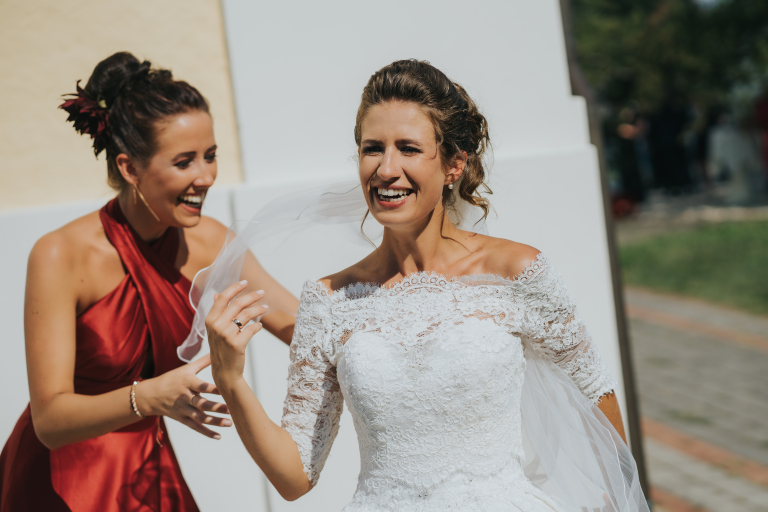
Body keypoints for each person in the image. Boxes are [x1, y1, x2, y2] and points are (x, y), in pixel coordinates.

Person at [197, 60, 648, 511]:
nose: (386, 168)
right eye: (373, 149)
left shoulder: (516, 271)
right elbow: (295, 476)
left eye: (409, 149)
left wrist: (616, 499)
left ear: (454, 165)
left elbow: (594, 390)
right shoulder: (329, 302)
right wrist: (230, 378)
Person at [0, 52, 298, 512]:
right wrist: (148, 396)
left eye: (211, 156)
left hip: (148, 471)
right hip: (60, 484)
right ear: (129, 168)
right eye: (184, 162)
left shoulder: (209, 241)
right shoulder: (59, 255)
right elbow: (50, 420)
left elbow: (302, 325)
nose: (206, 177)